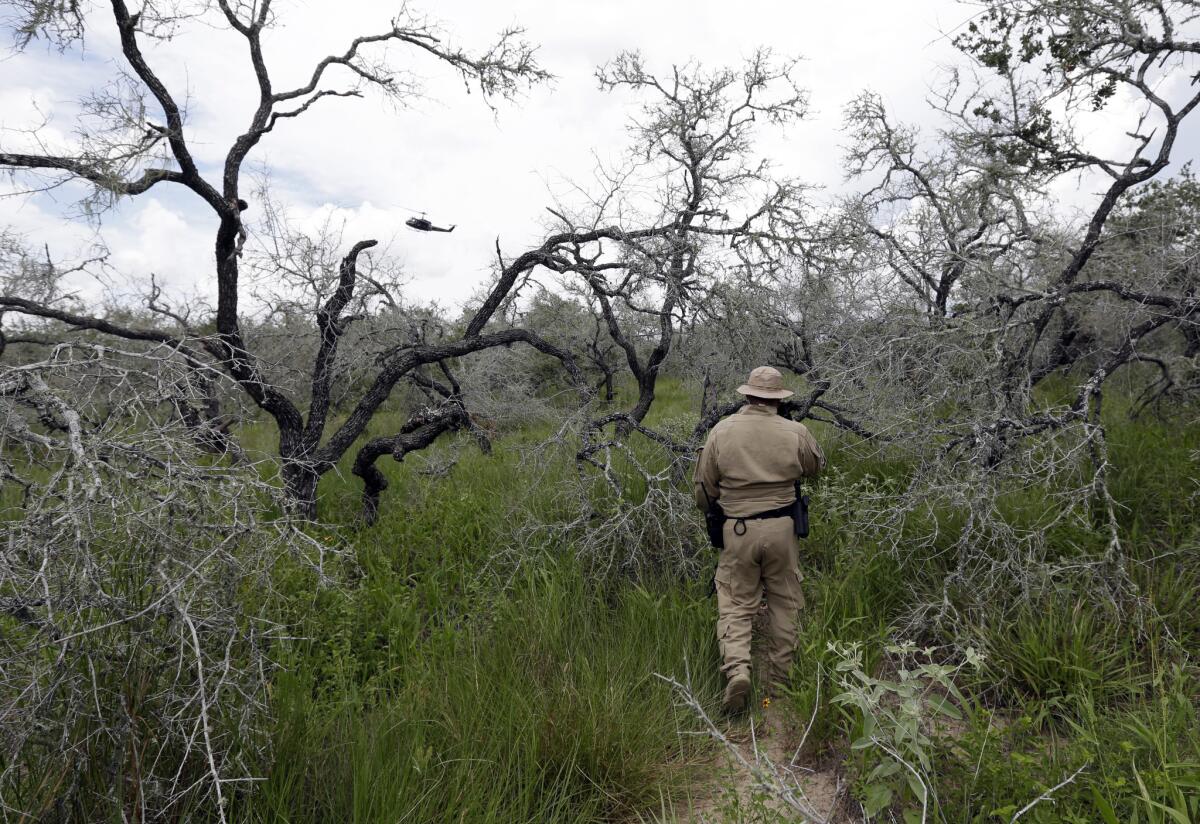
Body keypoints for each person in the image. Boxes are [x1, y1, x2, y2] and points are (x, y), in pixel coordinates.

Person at [694, 366, 824, 713]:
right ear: (778, 399)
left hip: (737, 528)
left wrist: (719, 510)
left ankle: (738, 670)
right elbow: (814, 467)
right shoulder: (796, 430)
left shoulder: (721, 431)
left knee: (735, 602)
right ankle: (780, 682)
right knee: (785, 599)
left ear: (748, 395)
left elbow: (704, 489)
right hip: (783, 527)